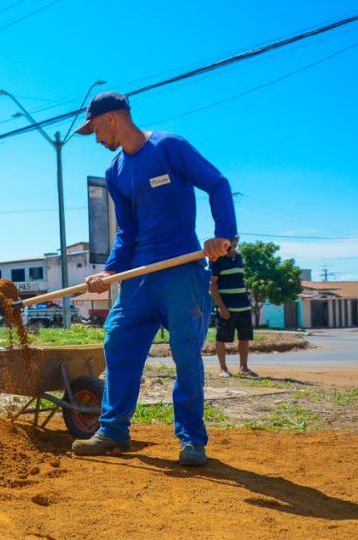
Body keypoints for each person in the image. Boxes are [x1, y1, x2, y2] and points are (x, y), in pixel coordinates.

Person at [71, 92, 236, 467]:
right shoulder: (115, 172)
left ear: (110, 118)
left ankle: (191, 440)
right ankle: (113, 431)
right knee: (118, 341)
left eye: (94, 128)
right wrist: (110, 271)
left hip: (181, 270)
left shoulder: (169, 147)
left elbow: (217, 184)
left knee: (185, 356)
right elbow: (127, 230)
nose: (95, 137)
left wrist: (223, 234)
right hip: (139, 276)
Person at [210, 237, 257, 378]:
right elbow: (212, 285)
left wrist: (250, 302)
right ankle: (223, 369)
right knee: (221, 338)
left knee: (244, 337)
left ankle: (244, 368)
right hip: (226, 307)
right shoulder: (216, 259)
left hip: (243, 305)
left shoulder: (239, 257)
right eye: (231, 240)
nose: (234, 242)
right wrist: (222, 307)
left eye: (235, 239)